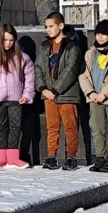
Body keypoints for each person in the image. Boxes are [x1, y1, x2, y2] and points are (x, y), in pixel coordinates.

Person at [0, 24, 34, 168]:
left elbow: (29, 78)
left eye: (11, 40)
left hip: (16, 99)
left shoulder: (22, 57)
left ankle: (13, 158)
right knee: (2, 127)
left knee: (16, 127)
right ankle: (1, 157)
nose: (8, 43)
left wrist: (27, 94)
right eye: (5, 40)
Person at [35, 12, 82, 170]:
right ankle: (51, 156)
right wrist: (43, 88)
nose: (48, 30)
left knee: (70, 126)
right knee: (52, 127)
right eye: (46, 27)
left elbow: (71, 71)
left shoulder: (72, 46)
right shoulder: (44, 47)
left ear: (60, 26)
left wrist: (55, 90)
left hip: (66, 94)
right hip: (48, 94)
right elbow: (39, 68)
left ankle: (71, 156)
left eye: (51, 26)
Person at [78, 19, 108, 172]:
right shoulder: (91, 53)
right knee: (97, 128)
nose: (100, 37)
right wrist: (90, 92)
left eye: (104, 34)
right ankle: (100, 157)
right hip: (94, 97)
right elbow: (83, 75)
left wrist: (104, 93)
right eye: (98, 34)